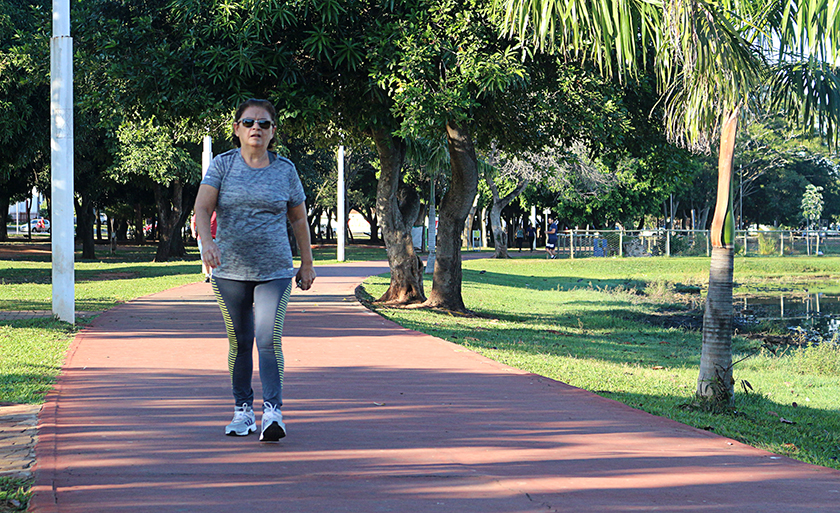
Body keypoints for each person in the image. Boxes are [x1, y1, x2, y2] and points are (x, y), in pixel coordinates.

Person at [194, 98, 316, 443]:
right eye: (248, 123)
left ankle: (273, 413)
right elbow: (202, 208)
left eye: (263, 124)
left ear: (273, 131)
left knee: (267, 337)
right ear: (236, 129)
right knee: (240, 340)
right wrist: (208, 243)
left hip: (274, 269)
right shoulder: (223, 165)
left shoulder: (285, 170)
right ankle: (243, 411)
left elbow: (298, 218)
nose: (255, 129)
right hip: (229, 269)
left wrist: (306, 262)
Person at [191, 211, 217, 282]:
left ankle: (214, 275)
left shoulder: (217, 212)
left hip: (214, 237)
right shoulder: (202, 210)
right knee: (205, 257)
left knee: (214, 257)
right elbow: (193, 221)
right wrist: (193, 232)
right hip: (202, 237)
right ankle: (207, 275)